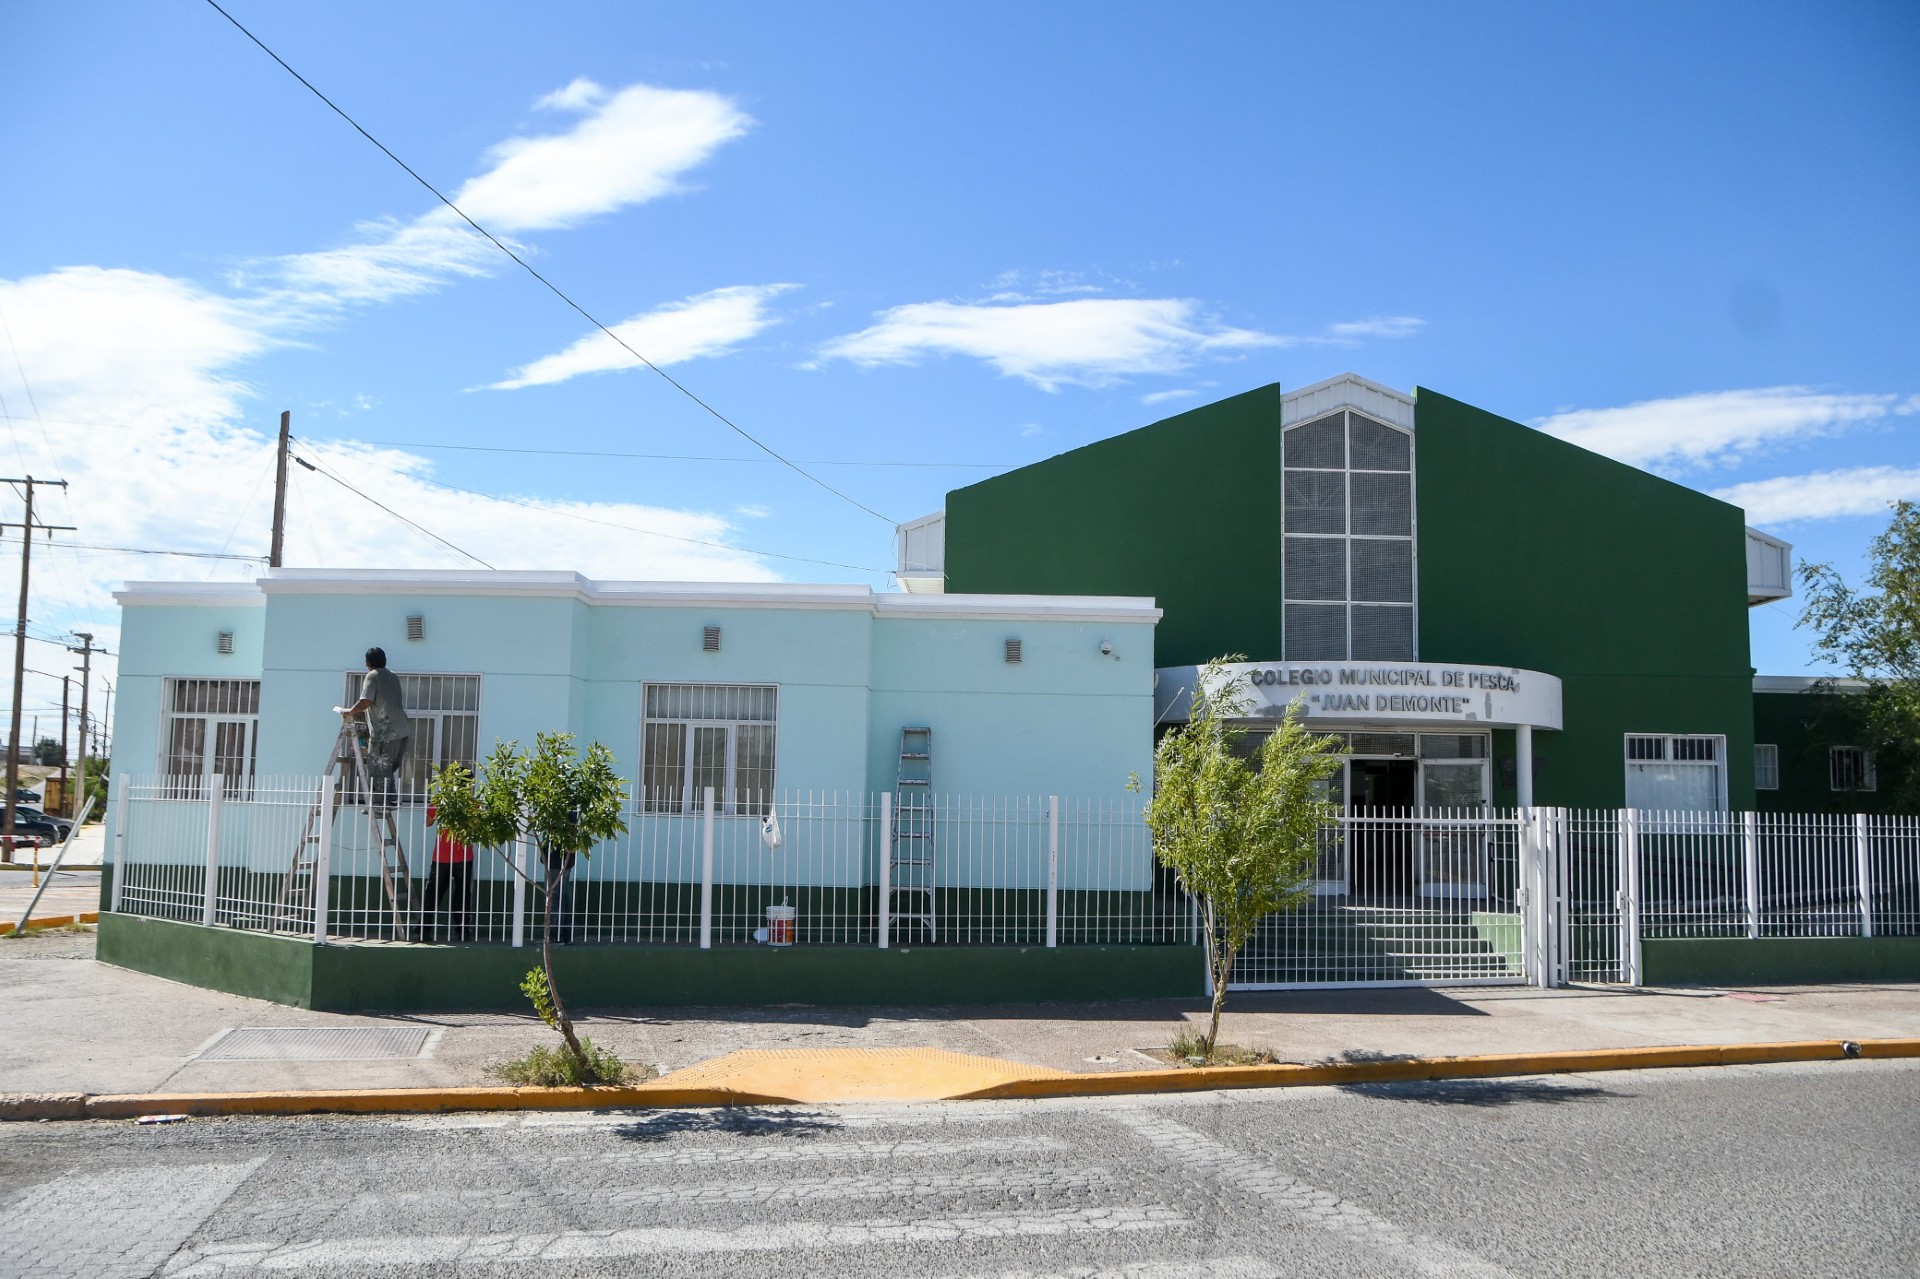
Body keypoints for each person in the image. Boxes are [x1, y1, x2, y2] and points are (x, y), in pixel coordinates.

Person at [334, 647, 409, 814]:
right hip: (402, 730)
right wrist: (360, 712)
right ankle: (390, 799)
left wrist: (350, 712)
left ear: (367, 662)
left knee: (377, 767)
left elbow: (366, 700)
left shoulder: (372, 675)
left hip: (385, 732)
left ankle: (378, 806)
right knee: (386, 768)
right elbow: (382, 702)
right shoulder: (393, 676)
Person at [420, 803, 474, 942]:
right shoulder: (471, 804)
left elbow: (428, 823)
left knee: (433, 893)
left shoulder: (441, 801)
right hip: (462, 855)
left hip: (443, 856)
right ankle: (462, 930)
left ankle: (423, 929)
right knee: (462, 895)